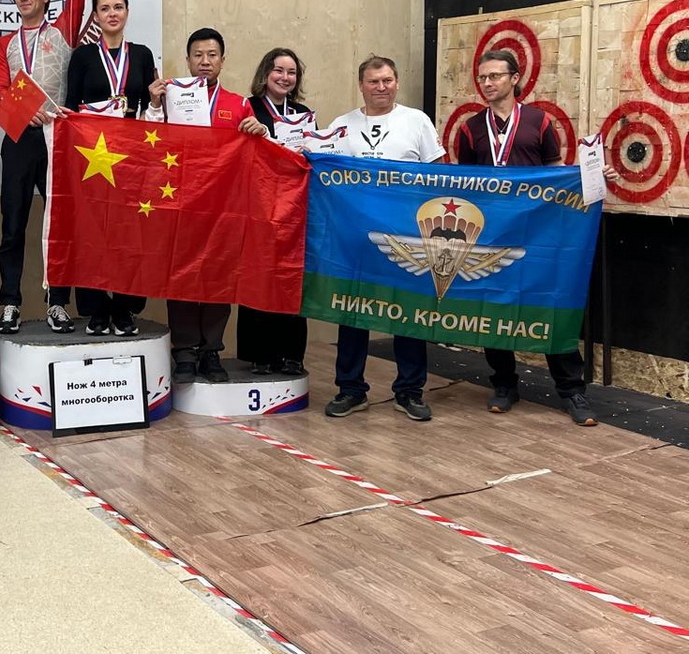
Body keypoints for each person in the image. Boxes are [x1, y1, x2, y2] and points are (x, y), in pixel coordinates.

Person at [456, 48, 608, 426]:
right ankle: (504, 384)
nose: (487, 83)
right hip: (491, 234)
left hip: (537, 233)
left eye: (495, 76)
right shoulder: (470, 128)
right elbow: (464, 182)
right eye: (482, 77)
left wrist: (589, 177)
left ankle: (571, 390)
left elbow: (556, 174)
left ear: (514, 78)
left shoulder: (540, 122)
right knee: (493, 310)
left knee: (548, 306)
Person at [0, 0, 94, 336]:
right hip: (19, 137)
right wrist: (22, 112)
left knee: (59, 222)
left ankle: (58, 303)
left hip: (58, 139)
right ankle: (10, 303)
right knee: (12, 224)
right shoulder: (2, 44)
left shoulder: (63, 30)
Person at [324, 55, 444, 421]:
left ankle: (409, 391)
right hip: (355, 239)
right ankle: (350, 389)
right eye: (374, 81)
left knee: (408, 312)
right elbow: (324, 177)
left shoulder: (416, 121)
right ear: (361, 85)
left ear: (397, 82)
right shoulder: (340, 126)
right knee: (353, 312)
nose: (381, 87)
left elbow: (438, 175)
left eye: (387, 80)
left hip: (406, 237)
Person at [146, 28, 260, 383]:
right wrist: (153, 106)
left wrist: (260, 131)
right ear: (188, 60)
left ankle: (211, 350)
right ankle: (184, 351)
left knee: (218, 277)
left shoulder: (239, 104)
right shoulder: (169, 98)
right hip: (179, 201)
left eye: (212, 55)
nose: (205, 62)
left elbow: (255, 154)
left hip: (223, 206)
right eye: (198, 55)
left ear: (222, 61)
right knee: (180, 276)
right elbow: (149, 143)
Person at [64, 0, 158, 336]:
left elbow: (151, 109)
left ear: (127, 12)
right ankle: (96, 308)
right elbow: (71, 107)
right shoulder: (83, 56)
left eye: (118, 6)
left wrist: (155, 100)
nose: (112, 13)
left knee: (128, 233)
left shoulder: (143, 55)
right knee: (92, 232)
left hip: (132, 159)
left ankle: (124, 307)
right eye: (105, 8)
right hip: (93, 159)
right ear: (96, 16)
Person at [235, 48, 310, 376]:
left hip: (294, 207)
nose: (285, 77)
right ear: (266, 73)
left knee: (290, 277)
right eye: (279, 70)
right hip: (257, 205)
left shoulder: (304, 114)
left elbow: (310, 158)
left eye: (291, 72)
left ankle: (291, 353)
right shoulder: (247, 108)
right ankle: (260, 354)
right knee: (258, 276)